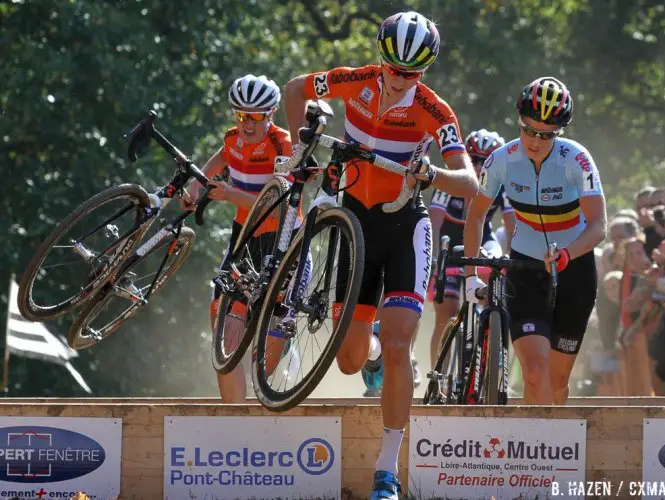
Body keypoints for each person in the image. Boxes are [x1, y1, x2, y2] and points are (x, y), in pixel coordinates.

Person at [283, 11, 478, 499]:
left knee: (398, 346)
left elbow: (469, 182)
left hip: (404, 227)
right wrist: (299, 155)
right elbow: (294, 89)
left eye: (409, 73)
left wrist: (431, 173)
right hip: (354, 226)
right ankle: (370, 351)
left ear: (424, 73)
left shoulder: (434, 110)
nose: (396, 78)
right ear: (381, 56)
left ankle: (387, 471)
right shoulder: (357, 80)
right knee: (349, 361)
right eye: (391, 66)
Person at [463, 76, 607, 405]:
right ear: (519, 122)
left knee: (557, 382)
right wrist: (471, 276)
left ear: (559, 133)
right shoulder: (500, 160)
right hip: (526, 267)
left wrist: (568, 253)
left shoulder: (577, 159)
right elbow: (476, 216)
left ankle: (556, 448)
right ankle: (535, 452)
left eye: (546, 134)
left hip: (575, 268)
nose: (535, 140)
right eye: (528, 129)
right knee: (534, 371)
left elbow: (599, 224)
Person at [181, 74, 302, 403]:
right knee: (223, 337)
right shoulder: (233, 138)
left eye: (257, 116)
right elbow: (215, 163)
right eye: (241, 115)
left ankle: (281, 347)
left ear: (272, 114)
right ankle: (235, 418)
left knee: (265, 361)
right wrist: (194, 189)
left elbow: (279, 207)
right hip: (244, 237)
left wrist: (231, 194)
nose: (248, 124)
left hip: (281, 240)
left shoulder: (284, 146)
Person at [427, 129, 515, 366]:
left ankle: (491, 360)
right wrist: (435, 259)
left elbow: (511, 227)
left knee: (499, 273)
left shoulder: (501, 186)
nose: (477, 166)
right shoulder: (455, 179)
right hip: (449, 241)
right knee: (447, 313)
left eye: (484, 161)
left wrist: (512, 258)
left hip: (482, 239)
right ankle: (440, 374)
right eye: (473, 159)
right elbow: (434, 223)